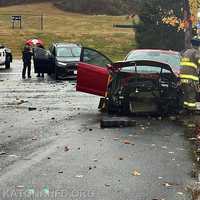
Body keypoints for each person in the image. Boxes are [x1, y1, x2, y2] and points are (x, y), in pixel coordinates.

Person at [180, 37, 200, 110]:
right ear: (198, 46)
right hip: (191, 78)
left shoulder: (186, 52)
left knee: (186, 94)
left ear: (191, 44)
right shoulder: (196, 52)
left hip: (182, 78)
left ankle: (185, 108)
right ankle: (192, 110)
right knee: (192, 94)